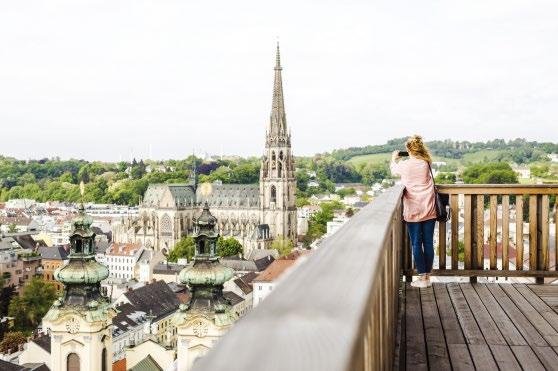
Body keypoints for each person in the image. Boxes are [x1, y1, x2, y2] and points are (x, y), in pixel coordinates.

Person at [390, 135, 437, 288]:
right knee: (428, 242)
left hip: (413, 209)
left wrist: (393, 158)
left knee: (416, 243)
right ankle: (427, 277)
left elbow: (393, 171)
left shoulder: (404, 165)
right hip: (429, 207)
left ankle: (422, 278)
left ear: (409, 149)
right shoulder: (426, 163)